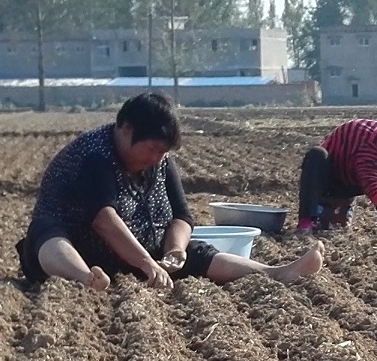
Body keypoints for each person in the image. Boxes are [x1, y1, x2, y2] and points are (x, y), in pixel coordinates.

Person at [17, 92, 321, 292]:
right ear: (125, 129)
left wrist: (175, 250)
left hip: (135, 249)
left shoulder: (160, 161)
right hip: (78, 245)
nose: (156, 159)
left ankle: (275, 272)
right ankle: (87, 279)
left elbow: (182, 216)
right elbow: (104, 221)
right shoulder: (94, 156)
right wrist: (147, 263)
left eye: (163, 153)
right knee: (48, 233)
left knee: (196, 251)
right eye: (151, 149)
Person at [297, 110, 377, 236]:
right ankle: (306, 223)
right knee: (316, 155)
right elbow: (371, 182)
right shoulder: (369, 141)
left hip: (353, 184)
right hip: (330, 180)